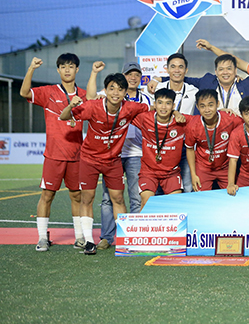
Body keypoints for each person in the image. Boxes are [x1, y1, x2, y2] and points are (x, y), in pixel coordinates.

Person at [60, 73, 151, 255]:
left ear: (125, 93)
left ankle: (124, 240)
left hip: (113, 161)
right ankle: (88, 241)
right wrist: (70, 105)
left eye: (120, 89)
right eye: (112, 88)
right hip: (89, 160)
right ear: (106, 90)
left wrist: (175, 112)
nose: (115, 93)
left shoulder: (131, 107)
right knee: (87, 199)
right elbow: (64, 117)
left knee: (118, 199)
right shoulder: (93, 107)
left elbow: (153, 107)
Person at [20, 54, 89, 251]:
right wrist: (32, 68)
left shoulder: (84, 95)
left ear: (77, 69)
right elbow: (24, 92)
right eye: (63, 66)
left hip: (76, 156)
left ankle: (79, 237)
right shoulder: (48, 92)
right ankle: (42, 238)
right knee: (47, 196)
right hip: (53, 156)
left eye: (71, 66)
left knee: (77, 197)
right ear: (58, 70)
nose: (67, 70)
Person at [97, 62, 153, 250]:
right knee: (108, 197)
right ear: (123, 76)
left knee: (136, 197)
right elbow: (93, 98)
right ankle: (107, 237)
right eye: (129, 74)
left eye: (137, 75)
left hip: (137, 153)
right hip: (113, 153)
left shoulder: (147, 98)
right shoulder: (112, 94)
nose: (133, 78)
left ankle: (133, 236)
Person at [131, 88, 189, 208]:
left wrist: (176, 113)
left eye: (168, 103)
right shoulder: (144, 118)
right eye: (160, 102)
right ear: (155, 104)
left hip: (171, 172)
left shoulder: (181, 121)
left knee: (175, 205)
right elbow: (126, 111)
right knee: (147, 203)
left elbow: (203, 120)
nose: (163, 107)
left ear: (173, 105)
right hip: (149, 171)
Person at [148, 54, 249, 114]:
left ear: (235, 71)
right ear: (216, 72)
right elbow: (181, 77)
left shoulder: (247, 84)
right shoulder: (208, 81)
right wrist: (160, 79)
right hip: (212, 135)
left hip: (239, 135)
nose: (225, 72)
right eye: (221, 69)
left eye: (229, 69)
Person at [153, 53, 199, 193]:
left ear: (186, 70)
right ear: (167, 69)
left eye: (180, 67)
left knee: (187, 186)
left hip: (185, 146)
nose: (177, 70)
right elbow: (150, 110)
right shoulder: (157, 88)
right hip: (162, 144)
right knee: (160, 188)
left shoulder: (194, 91)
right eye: (173, 67)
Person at [185, 89, 243, 191]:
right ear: (197, 107)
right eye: (202, 106)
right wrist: (193, 175)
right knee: (201, 196)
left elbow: (248, 126)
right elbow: (189, 149)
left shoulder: (230, 119)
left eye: (210, 105)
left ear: (218, 104)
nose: (207, 110)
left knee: (233, 193)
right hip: (203, 168)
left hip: (225, 167)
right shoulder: (193, 125)